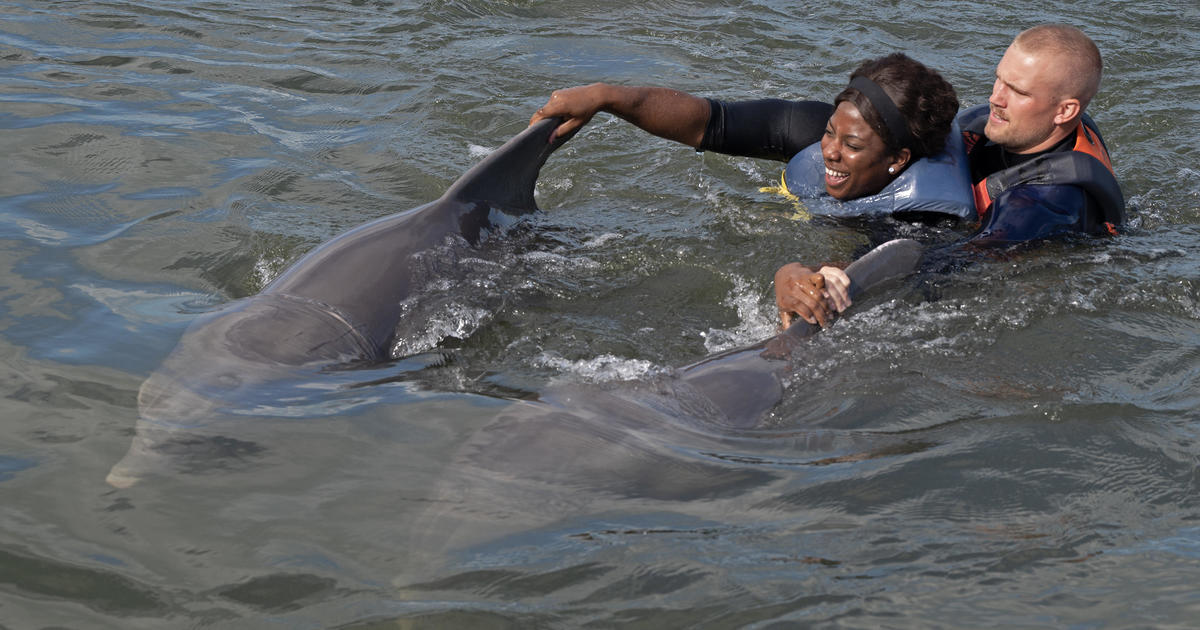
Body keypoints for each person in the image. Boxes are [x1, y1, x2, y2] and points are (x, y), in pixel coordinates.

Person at [532, 25, 1124, 329]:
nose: (994, 100)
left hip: (1001, 269)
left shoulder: (1049, 202)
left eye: (1016, 93)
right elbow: (718, 122)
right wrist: (606, 96)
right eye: (997, 80)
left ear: (1064, 111)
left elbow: (943, 272)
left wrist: (818, 278)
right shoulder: (909, 132)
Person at [532, 53, 963, 328]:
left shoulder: (921, 215)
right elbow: (711, 122)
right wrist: (605, 96)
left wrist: (798, 273)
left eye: (851, 146)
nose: (829, 151)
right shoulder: (819, 135)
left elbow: (856, 265)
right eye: (830, 132)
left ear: (898, 159)